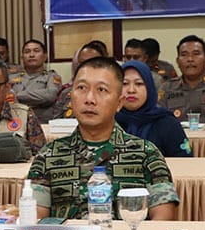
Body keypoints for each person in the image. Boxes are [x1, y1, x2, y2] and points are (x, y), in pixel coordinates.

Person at [28, 57, 179, 220]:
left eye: (101, 90)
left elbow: (163, 220)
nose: (89, 99)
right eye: (81, 88)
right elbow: (35, 223)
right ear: (71, 96)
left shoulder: (146, 154)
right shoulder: (48, 156)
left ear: (119, 103)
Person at [116, 61, 192, 157]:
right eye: (125, 84)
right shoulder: (108, 121)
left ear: (149, 87)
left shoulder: (167, 123)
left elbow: (185, 163)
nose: (131, 90)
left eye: (139, 84)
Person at [10, 38, 62, 123]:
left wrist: (18, 95)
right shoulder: (11, 78)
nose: (31, 55)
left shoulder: (51, 76)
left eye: (36, 51)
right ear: (22, 57)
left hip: (42, 122)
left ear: (45, 56)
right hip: (16, 122)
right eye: (27, 52)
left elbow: (51, 95)